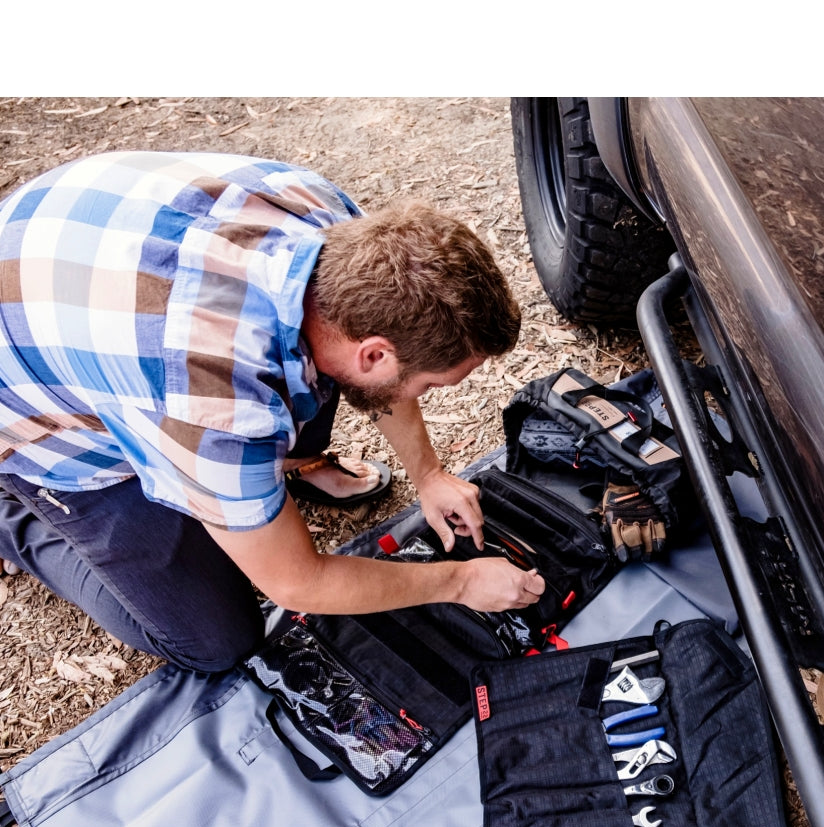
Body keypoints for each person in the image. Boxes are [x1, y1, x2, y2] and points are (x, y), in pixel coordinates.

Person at [0, 150, 545, 672]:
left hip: (74, 264)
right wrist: (459, 582)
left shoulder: (327, 221)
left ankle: (250, 478)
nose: (425, 396)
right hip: (40, 416)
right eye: (429, 384)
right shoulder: (213, 399)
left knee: (330, 386)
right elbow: (296, 583)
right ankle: (13, 514)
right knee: (215, 639)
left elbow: (376, 375)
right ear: (375, 352)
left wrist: (428, 474)